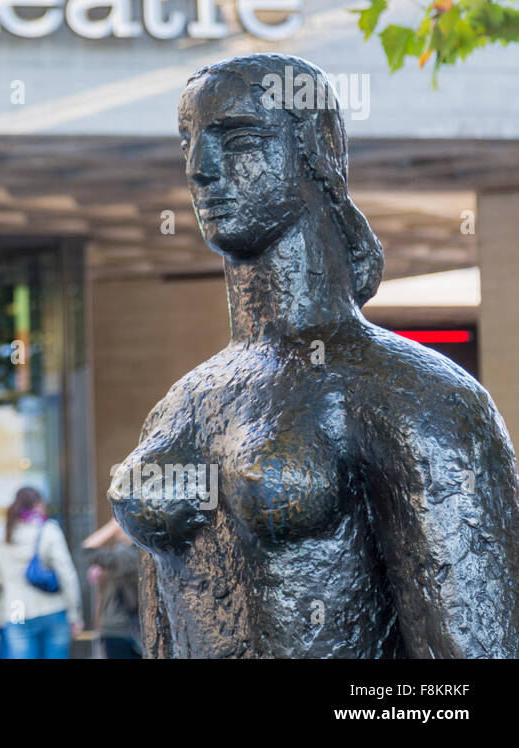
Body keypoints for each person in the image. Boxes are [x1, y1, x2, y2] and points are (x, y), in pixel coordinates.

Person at [111, 54, 519, 657]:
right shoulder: (181, 406)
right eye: (187, 144)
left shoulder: (415, 392)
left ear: (313, 154)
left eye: (240, 139)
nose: (200, 170)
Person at [0, 486, 82, 659]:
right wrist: (74, 614)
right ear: (38, 504)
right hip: (53, 608)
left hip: (15, 608)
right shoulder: (49, 530)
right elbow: (67, 574)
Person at [80, 518, 140, 659]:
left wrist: (114, 523)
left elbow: (87, 549)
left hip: (120, 630)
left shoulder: (126, 556)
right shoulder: (128, 554)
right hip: (124, 629)